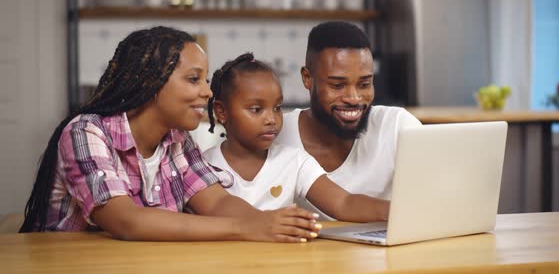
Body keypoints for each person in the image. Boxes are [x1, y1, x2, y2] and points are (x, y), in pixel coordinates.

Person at [19, 26, 320, 243]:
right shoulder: (86, 132)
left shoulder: (177, 140)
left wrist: (267, 223)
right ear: (152, 83)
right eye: (193, 79)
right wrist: (245, 228)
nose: (208, 91)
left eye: (204, 78)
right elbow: (127, 221)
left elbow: (216, 203)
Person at [204, 53, 389, 222]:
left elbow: (343, 203)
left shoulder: (295, 161)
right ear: (221, 112)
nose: (271, 119)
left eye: (277, 107)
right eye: (256, 110)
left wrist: (396, 211)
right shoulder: (202, 166)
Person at [274, 22, 422, 220]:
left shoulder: (397, 126)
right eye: (337, 85)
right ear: (307, 79)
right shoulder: (276, 136)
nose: (353, 98)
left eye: (364, 84)